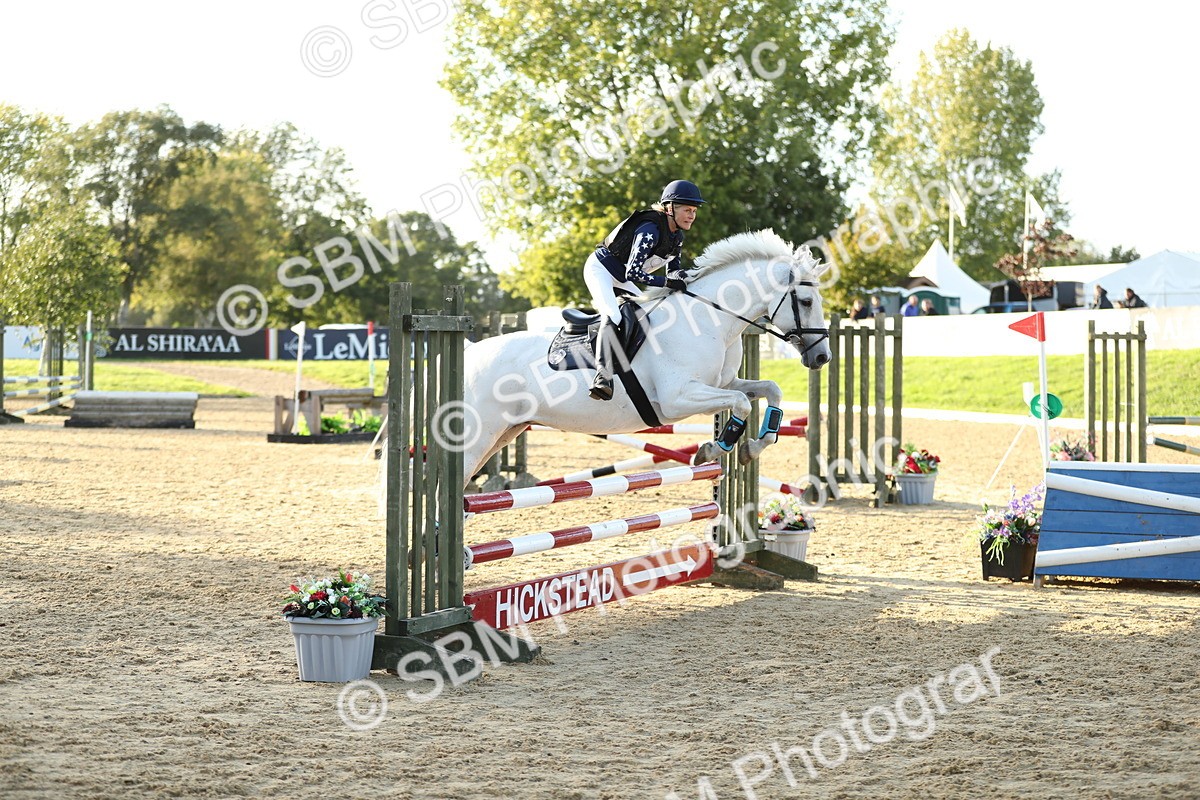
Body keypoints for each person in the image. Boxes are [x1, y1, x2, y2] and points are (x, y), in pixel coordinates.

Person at [584, 179, 703, 400]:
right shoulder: (650, 230)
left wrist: (689, 280)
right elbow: (634, 274)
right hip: (600, 269)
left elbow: (672, 274)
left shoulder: (677, 237)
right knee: (613, 314)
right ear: (669, 208)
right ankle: (602, 375)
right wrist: (668, 283)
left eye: (694, 210)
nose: (691, 216)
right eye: (687, 209)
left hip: (620, 276)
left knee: (653, 315)